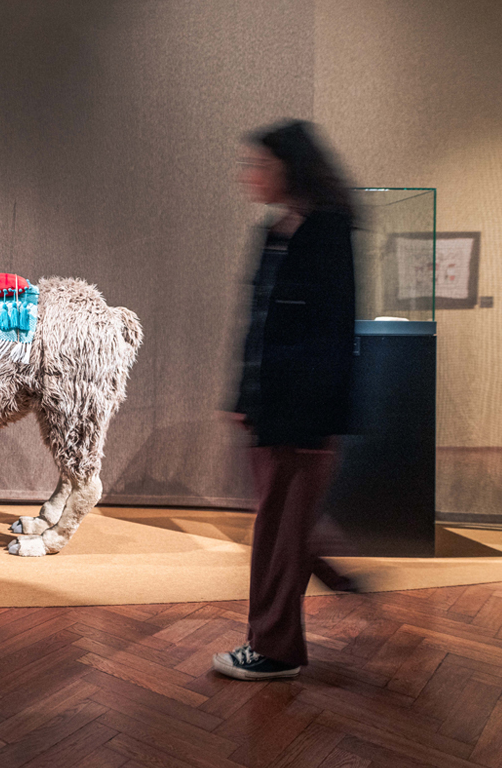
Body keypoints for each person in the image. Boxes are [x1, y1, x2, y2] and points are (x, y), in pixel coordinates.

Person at [213, 120, 357, 681]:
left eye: (260, 166)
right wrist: (243, 396)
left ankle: (275, 650)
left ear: (289, 168)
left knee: (281, 536)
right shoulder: (275, 231)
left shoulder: (327, 232)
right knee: (279, 531)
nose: (249, 176)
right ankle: (281, 629)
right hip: (270, 410)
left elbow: (331, 334)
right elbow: (258, 325)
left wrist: (313, 417)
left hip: (302, 416)